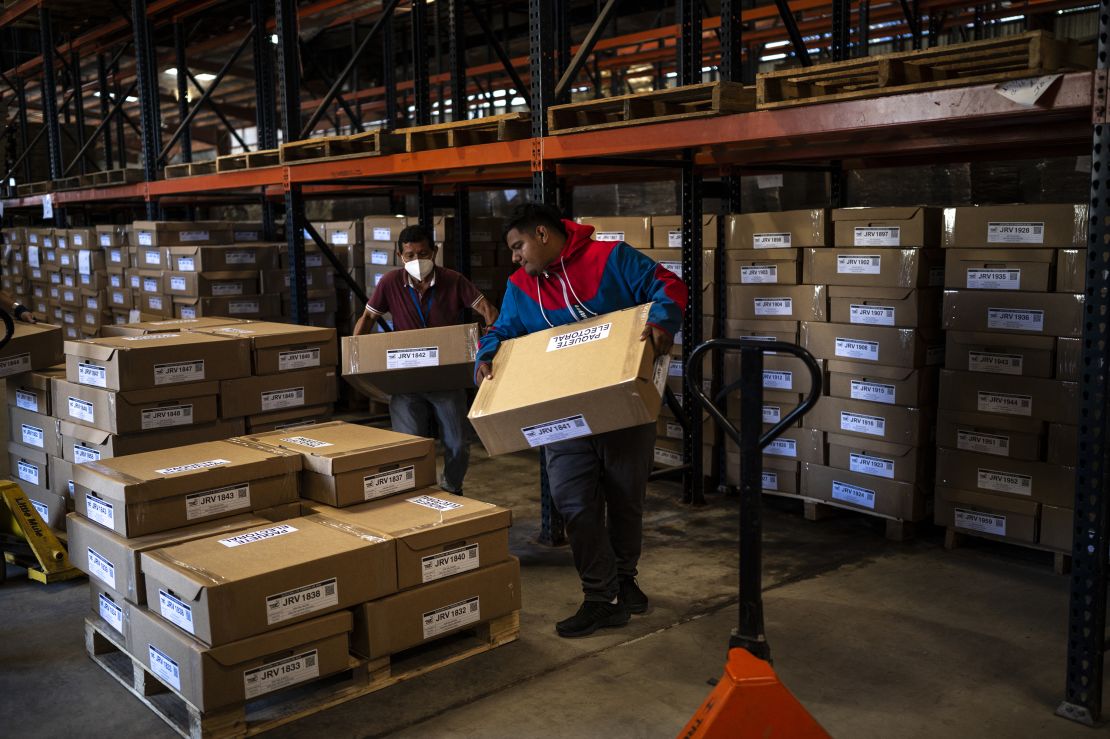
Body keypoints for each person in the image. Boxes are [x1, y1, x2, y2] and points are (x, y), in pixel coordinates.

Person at [475, 203, 687, 638]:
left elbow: (667, 285)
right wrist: (486, 353)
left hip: (623, 407)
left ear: (542, 234)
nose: (516, 258)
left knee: (625, 499)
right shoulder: (520, 286)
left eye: (518, 247)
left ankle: (624, 581)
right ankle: (598, 596)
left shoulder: (611, 258)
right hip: (562, 413)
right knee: (574, 502)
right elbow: (503, 332)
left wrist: (664, 321)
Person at [354, 223, 498, 495]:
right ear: (401, 257)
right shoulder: (390, 283)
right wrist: (356, 354)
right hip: (406, 380)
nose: (417, 261)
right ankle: (416, 494)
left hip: (446, 378)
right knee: (410, 445)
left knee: (457, 444)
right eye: (410, 255)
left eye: (423, 253)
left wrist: (486, 347)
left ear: (434, 252)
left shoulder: (453, 280)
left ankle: (452, 488)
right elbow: (368, 318)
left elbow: (489, 311)